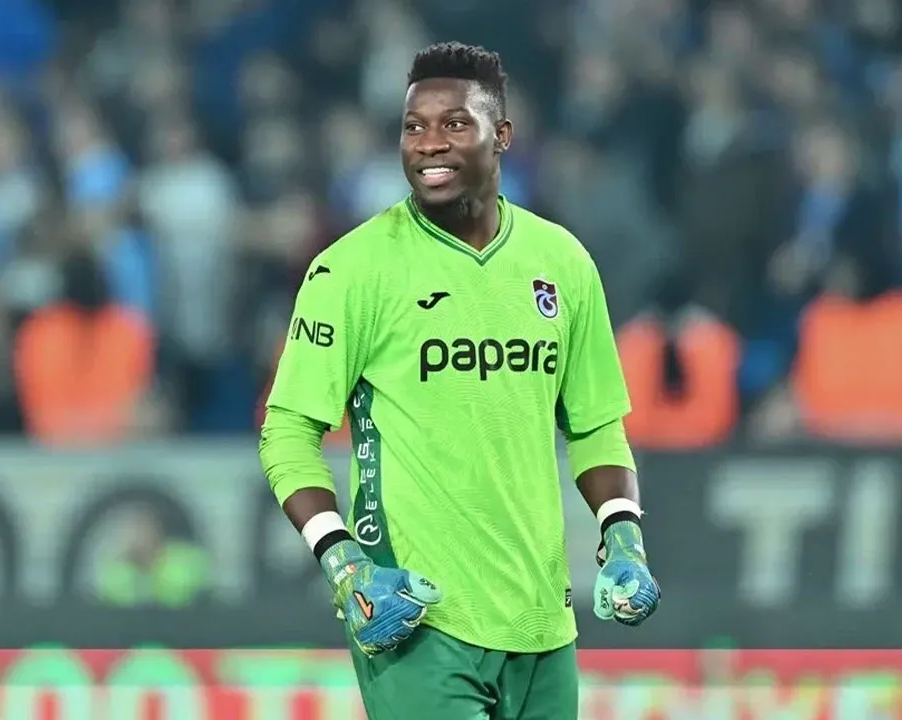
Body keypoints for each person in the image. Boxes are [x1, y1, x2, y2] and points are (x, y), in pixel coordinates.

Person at [258, 42, 660, 719]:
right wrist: (342, 561)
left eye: (453, 124)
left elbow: (595, 426)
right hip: (417, 618)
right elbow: (287, 432)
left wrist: (623, 536)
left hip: (542, 620)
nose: (429, 144)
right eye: (413, 127)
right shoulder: (350, 270)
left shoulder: (562, 262)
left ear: (501, 135)